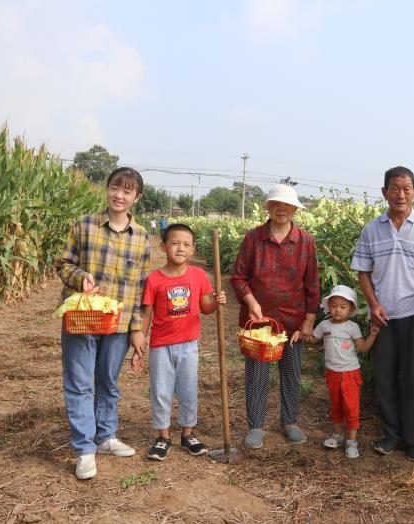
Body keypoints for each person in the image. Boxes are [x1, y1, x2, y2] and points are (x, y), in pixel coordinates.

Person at [55, 167, 150, 480]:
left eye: (127, 191)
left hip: (119, 322)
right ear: (107, 189)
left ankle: (106, 436)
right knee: (80, 384)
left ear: (137, 197)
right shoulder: (84, 225)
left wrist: (137, 328)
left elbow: (139, 287)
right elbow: (63, 263)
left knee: (108, 381)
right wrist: (80, 277)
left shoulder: (142, 238)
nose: (119, 195)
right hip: (83, 317)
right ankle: (84, 449)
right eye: (115, 188)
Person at [350, 166, 414, 462]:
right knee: (385, 377)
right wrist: (373, 304)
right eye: (395, 188)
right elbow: (363, 272)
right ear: (384, 193)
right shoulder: (372, 229)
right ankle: (391, 434)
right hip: (383, 316)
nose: (401, 194)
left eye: (407, 189)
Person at [230, 183, 319, 449]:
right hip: (259, 324)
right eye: (276, 204)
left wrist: (309, 320)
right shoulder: (254, 238)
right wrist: (251, 302)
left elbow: (312, 284)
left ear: (294, 209)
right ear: (268, 207)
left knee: (291, 372)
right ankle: (256, 425)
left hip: (293, 322)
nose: (282, 209)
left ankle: (289, 421)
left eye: (287, 205)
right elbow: (238, 277)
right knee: (256, 373)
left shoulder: (305, 242)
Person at [132, 223, 227, 461]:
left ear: (193, 249)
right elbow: (147, 314)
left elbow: (206, 308)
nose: (180, 248)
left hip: (188, 345)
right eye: (174, 243)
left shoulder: (198, 276)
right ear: (163, 246)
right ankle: (163, 436)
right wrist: (140, 340)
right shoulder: (154, 279)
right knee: (161, 391)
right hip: (160, 346)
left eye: (186, 244)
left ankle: (188, 434)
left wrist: (217, 300)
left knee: (188, 390)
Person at [294, 285, 380, 458]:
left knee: (351, 406)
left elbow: (362, 348)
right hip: (332, 372)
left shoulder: (352, 327)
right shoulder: (324, 325)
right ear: (329, 307)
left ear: (351, 309)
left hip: (350, 373)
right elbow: (312, 339)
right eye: (334, 306)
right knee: (336, 405)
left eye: (343, 307)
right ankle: (338, 435)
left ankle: (352, 441)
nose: (338, 310)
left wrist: (373, 335)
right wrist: (300, 334)